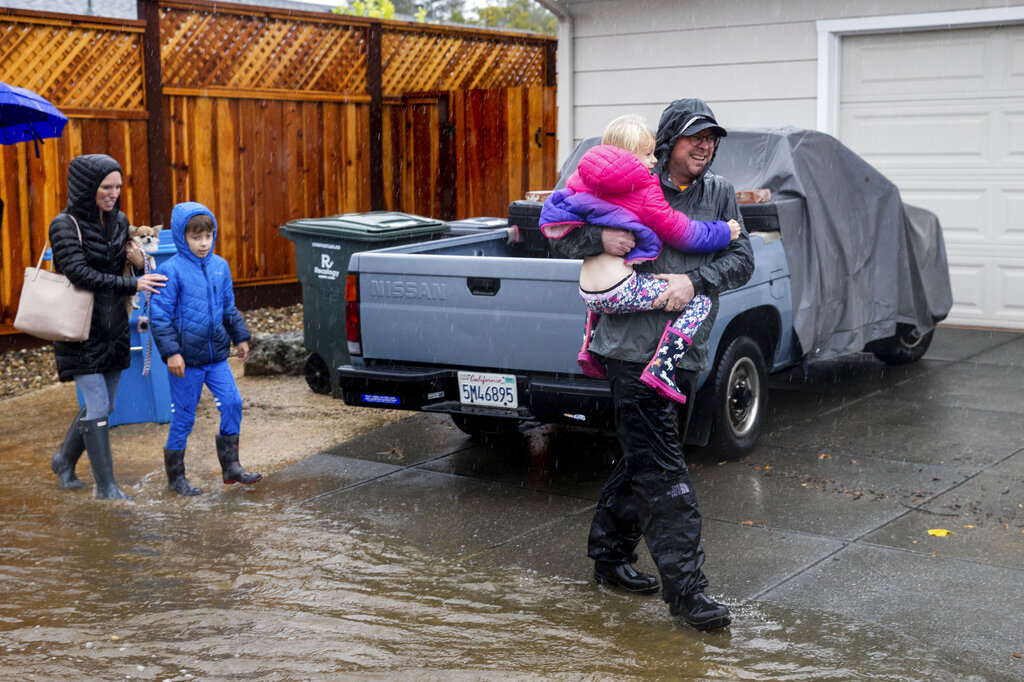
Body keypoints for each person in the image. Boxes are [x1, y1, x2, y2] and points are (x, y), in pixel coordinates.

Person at [548, 99, 754, 631]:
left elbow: (742, 259)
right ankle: (688, 595)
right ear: (667, 143)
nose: (704, 145)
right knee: (666, 475)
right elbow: (563, 235)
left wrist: (696, 282)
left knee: (644, 461)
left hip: (685, 353)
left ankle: (610, 555)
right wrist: (601, 239)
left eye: (711, 137)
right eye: (693, 137)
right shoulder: (629, 178)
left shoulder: (721, 193)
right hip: (632, 354)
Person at [540, 115, 740, 403]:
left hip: (589, 293)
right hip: (624, 327)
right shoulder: (644, 187)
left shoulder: (582, 180)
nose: (652, 160)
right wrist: (723, 231)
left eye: (710, 140)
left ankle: (587, 346)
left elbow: (556, 220)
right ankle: (663, 367)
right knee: (702, 302)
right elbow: (681, 231)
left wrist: (693, 279)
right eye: (648, 154)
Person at [48, 154, 167, 499]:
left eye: (118, 186)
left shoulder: (120, 223)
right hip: (80, 329)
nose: (114, 193)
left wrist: (139, 262)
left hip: (114, 326)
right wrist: (131, 286)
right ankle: (107, 488)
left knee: (105, 406)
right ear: (87, 188)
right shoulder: (63, 225)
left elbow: (129, 268)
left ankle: (63, 459)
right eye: (106, 187)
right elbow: (79, 273)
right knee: (98, 407)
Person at [150, 201, 262, 496]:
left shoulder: (220, 267)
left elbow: (228, 308)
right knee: (184, 416)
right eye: (195, 237)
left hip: (216, 358)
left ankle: (231, 467)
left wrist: (241, 337)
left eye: (208, 236)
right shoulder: (170, 272)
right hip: (186, 361)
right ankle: (176, 479)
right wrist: (171, 353)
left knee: (233, 402)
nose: (203, 243)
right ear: (181, 237)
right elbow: (159, 318)